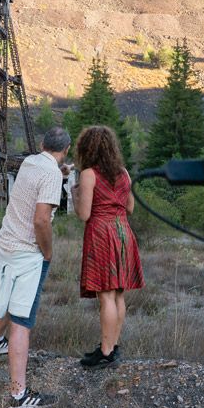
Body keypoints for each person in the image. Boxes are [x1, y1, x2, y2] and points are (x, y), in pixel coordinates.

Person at [0, 126, 71, 408]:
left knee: (8, 294)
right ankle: (19, 396)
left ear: (43, 143)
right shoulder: (51, 174)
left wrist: (61, 172)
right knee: (22, 319)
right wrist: (47, 252)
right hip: (27, 252)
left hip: (6, 241)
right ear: (65, 150)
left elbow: (41, 181)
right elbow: (42, 221)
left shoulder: (31, 162)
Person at [73, 125, 144, 369]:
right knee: (118, 294)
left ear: (87, 149)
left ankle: (105, 352)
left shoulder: (89, 174)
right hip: (123, 231)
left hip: (102, 233)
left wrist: (75, 195)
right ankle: (112, 347)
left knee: (105, 296)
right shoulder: (124, 173)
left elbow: (84, 214)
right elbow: (131, 207)